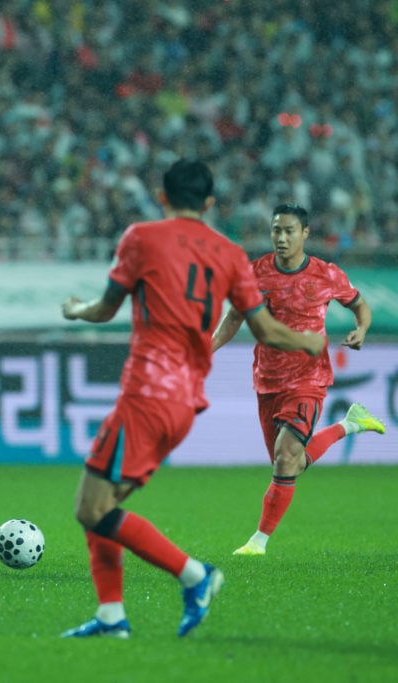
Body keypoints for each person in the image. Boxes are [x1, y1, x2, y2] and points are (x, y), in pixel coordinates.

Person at [59, 160, 325, 639]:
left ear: (162, 197)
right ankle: (111, 616)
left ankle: (195, 576)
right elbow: (265, 329)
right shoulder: (230, 254)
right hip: (185, 403)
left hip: (147, 393)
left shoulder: (142, 237)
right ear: (209, 203)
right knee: (104, 506)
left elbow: (105, 309)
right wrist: (307, 341)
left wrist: (76, 309)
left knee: (89, 508)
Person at [211, 204, 385, 556]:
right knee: (291, 463)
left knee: (287, 456)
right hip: (267, 381)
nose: (281, 237)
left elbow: (360, 306)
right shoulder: (255, 273)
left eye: (289, 230)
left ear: (305, 233)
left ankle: (258, 543)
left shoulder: (326, 274)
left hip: (309, 378)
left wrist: (362, 329)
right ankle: (349, 425)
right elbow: (233, 319)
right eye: (276, 230)